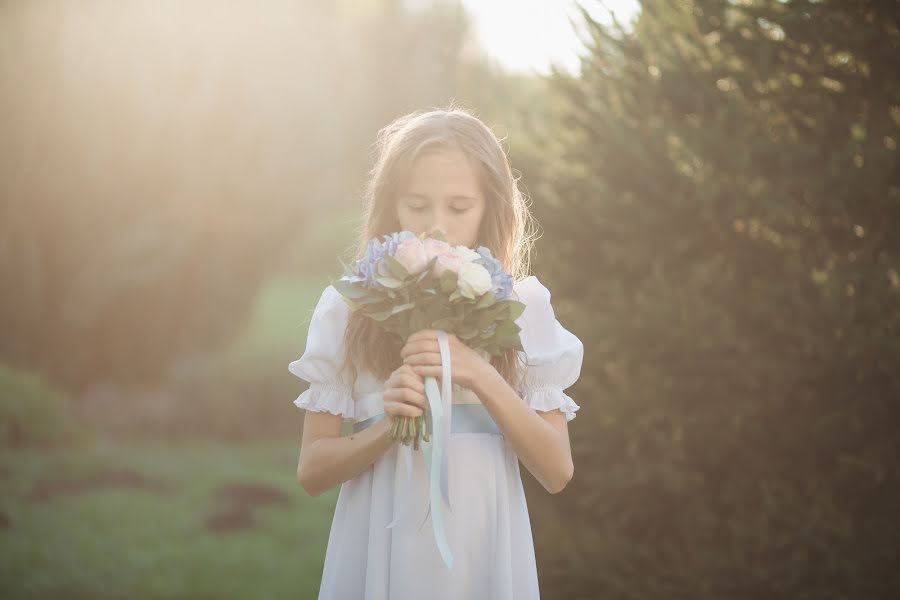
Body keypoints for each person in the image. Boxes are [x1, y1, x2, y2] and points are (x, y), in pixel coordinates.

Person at [289, 105, 584, 599]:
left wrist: (480, 375)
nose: (436, 227)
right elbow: (312, 470)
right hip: (379, 543)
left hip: (480, 549)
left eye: (459, 207)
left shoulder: (523, 306)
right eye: (417, 205)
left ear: (491, 208)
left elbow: (556, 469)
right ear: (391, 206)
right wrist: (387, 428)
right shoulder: (348, 309)